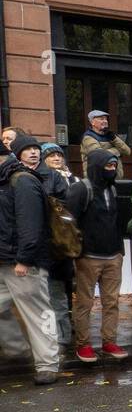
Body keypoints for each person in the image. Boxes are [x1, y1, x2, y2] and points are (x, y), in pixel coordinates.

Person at [0, 134, 61, 384]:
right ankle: (17, 350)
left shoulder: (22, 181)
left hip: (23, 263)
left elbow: (31, 225)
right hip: (5, 260)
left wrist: (24, 259)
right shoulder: (6, 181)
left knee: (39, 314)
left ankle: (48, 364)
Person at [69, 149, 128, 363]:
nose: (112, 170)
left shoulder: (113, 189)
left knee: (111, 302)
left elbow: (118, 220)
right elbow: (69, 223)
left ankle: (109, 341)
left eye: (114, 166)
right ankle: (83, 344)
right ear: (96, 166)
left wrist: (120, 250)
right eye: (108, 166)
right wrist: (77, 253)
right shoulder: (80, 189)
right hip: (88, 256)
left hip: (113, 255)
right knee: (84, 302)